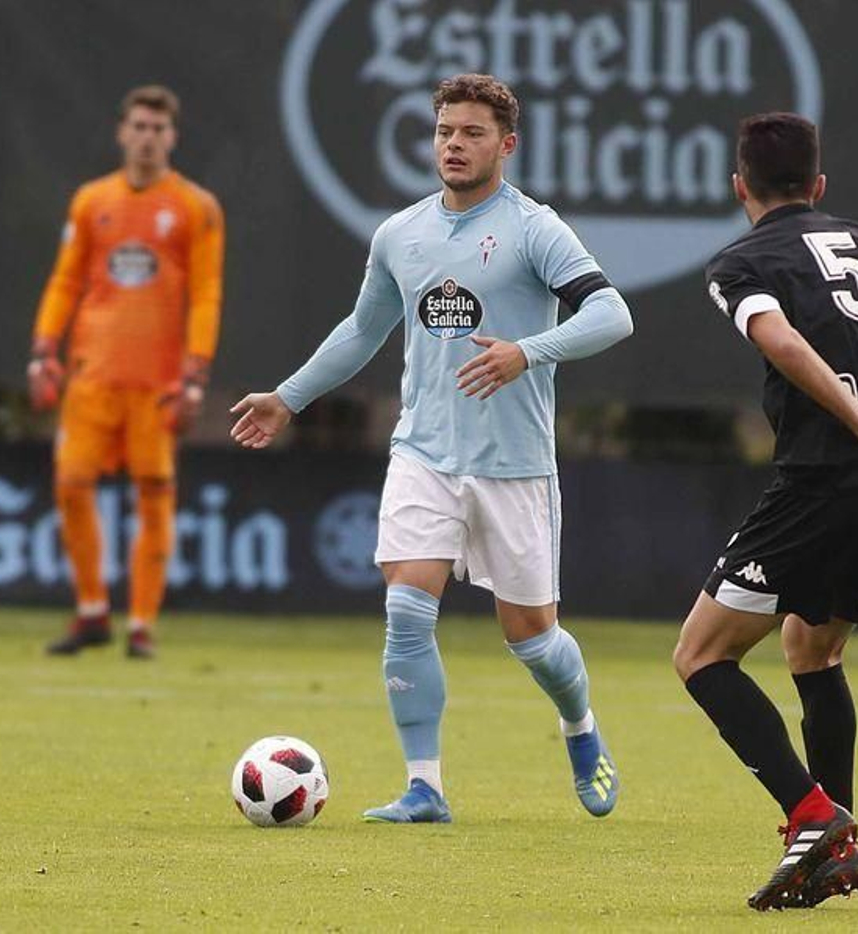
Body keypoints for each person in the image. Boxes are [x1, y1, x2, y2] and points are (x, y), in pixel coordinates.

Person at [230, 74, 634, 823]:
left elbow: (612, 314)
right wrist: (288, 397)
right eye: (446, 130)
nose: (454, 144)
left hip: (514, 467)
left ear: (506, 145)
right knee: (407, 610)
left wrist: (528, 351)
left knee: (533, 640)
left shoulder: (535, 229)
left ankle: (579, 727)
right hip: (423, 454)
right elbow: (361, 330)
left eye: (473, 132)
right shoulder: (401, 234)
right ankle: (426, 787)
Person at [675, 112, 858, 909]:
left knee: (701, 657)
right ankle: (837, 851)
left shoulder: (741, 262)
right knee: (813, 652)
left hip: (822, 481)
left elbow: (780, 343)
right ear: (818, 186)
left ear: (740, 186)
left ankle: (813, 817)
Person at [29, 85, 224, 660]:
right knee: (70, 484)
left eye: (158, 129)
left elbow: (207, 293)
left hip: (156, 382)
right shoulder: (92, 201)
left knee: (155, 495)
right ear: (122, 132)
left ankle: (141, 623)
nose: (147, 138)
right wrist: (44, 348)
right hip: (92, 373)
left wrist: (194, 374)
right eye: (138, 126)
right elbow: (66, 279)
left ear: (173, 137)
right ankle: (92, 610)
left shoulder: (195, 206)